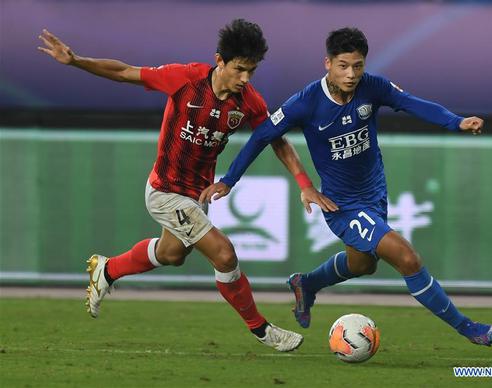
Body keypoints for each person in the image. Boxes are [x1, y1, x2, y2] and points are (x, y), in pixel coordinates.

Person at [37, 20, 335, 352]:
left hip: (197, 195)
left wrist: (304, 183)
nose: (245, 79)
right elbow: (124, 72)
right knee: (224, 255)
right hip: (165, 191)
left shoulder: (248, 101)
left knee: (171, 254)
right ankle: (261, 329)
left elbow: (276, 142)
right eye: (239, 69)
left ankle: (108, 269)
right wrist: (76, 60)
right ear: (219, 60)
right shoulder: (185, 79)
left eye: (251, 71)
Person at [200, 27, 492, 346]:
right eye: (343, 65)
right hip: (342, 205)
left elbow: (410, 102)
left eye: (358, 65)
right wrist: (229, 180)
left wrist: (455, 121)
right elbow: (262, 136)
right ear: (327, 63)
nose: (351, 73)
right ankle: (469, 328)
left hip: (374, 193)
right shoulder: (306, 102)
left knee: (362, 264)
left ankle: (307, 283)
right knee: (407, 258)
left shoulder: (372, 87)